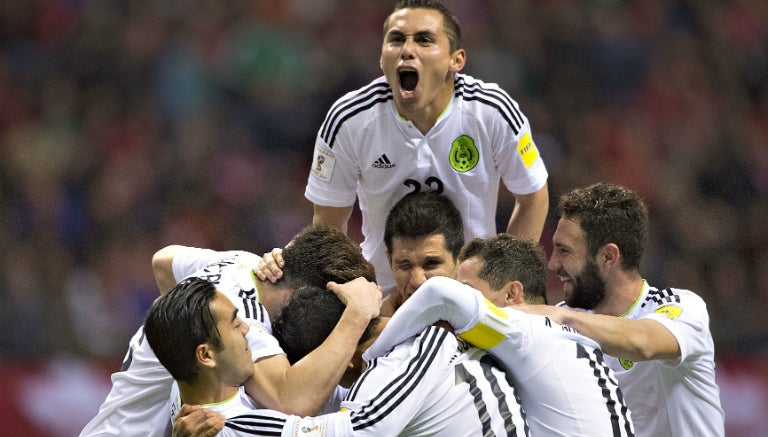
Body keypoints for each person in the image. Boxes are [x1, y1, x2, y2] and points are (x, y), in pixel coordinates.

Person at [302, 0, 549, 294]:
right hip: (385, 292)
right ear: (382, 58)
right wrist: (356, 294)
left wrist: (502, 281)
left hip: (472, 293)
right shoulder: (348, 119)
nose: (407, 49)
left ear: (455, 60)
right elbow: (328, 229)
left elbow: (533, 197)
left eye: (424, 40)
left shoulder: (491, 111)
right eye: (396, 39)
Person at [80, 225, 380, 436]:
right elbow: (292, 401)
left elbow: (163, 261)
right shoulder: (241, 319)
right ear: (304, 296)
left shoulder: (242, 263)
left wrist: (185, 328)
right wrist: (356, 314)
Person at [365, 234, 635, 437]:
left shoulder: (525, 328)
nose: (462, 300)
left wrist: (372, 350)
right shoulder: (551, 337)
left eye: (468, 290)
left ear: (511, 294)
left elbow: (440, 294)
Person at [517, 182, 724, 437]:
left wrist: (560, 317)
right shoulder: (566, 320)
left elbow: (643, 342)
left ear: (608, 256)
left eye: (564, 251)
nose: (553, 263)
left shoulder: (682, 307)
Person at [144, 277, 357, 437]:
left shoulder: (185, 387)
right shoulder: (239, 428)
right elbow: (365, 426)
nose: (246, 329)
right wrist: (358, 313)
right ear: (206, 355)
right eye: (236, 325)